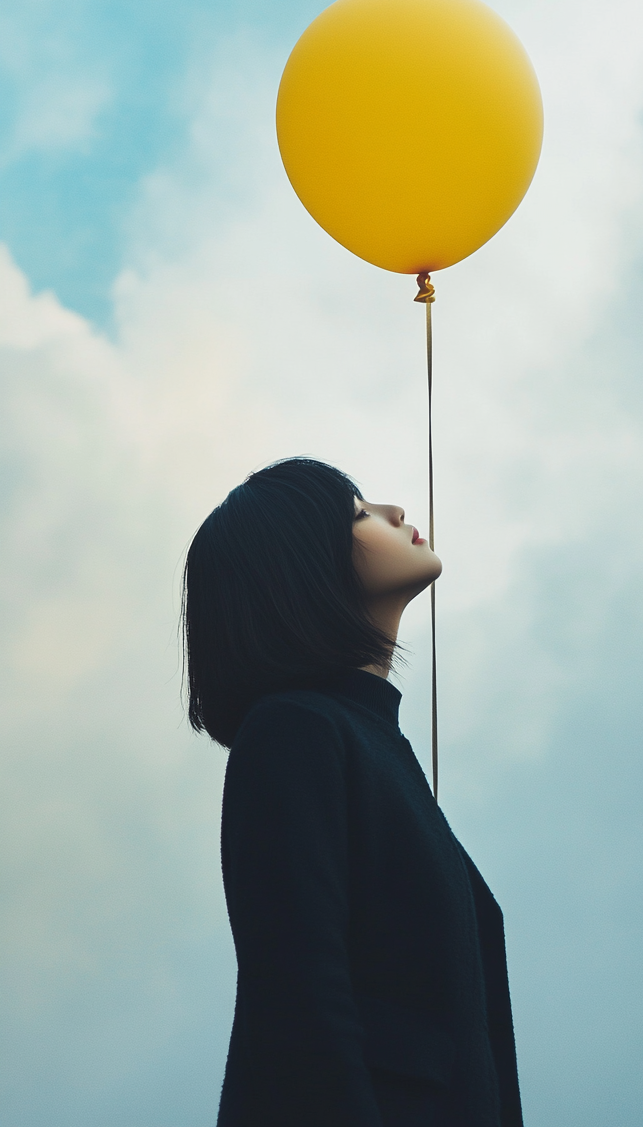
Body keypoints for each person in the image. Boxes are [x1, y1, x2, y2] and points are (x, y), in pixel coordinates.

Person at [183, 456, 524, 1127]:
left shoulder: (368, 743)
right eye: (360, 513)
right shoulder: (294, 731)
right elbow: (299, 1001)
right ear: (300, 568)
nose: (397, 514)